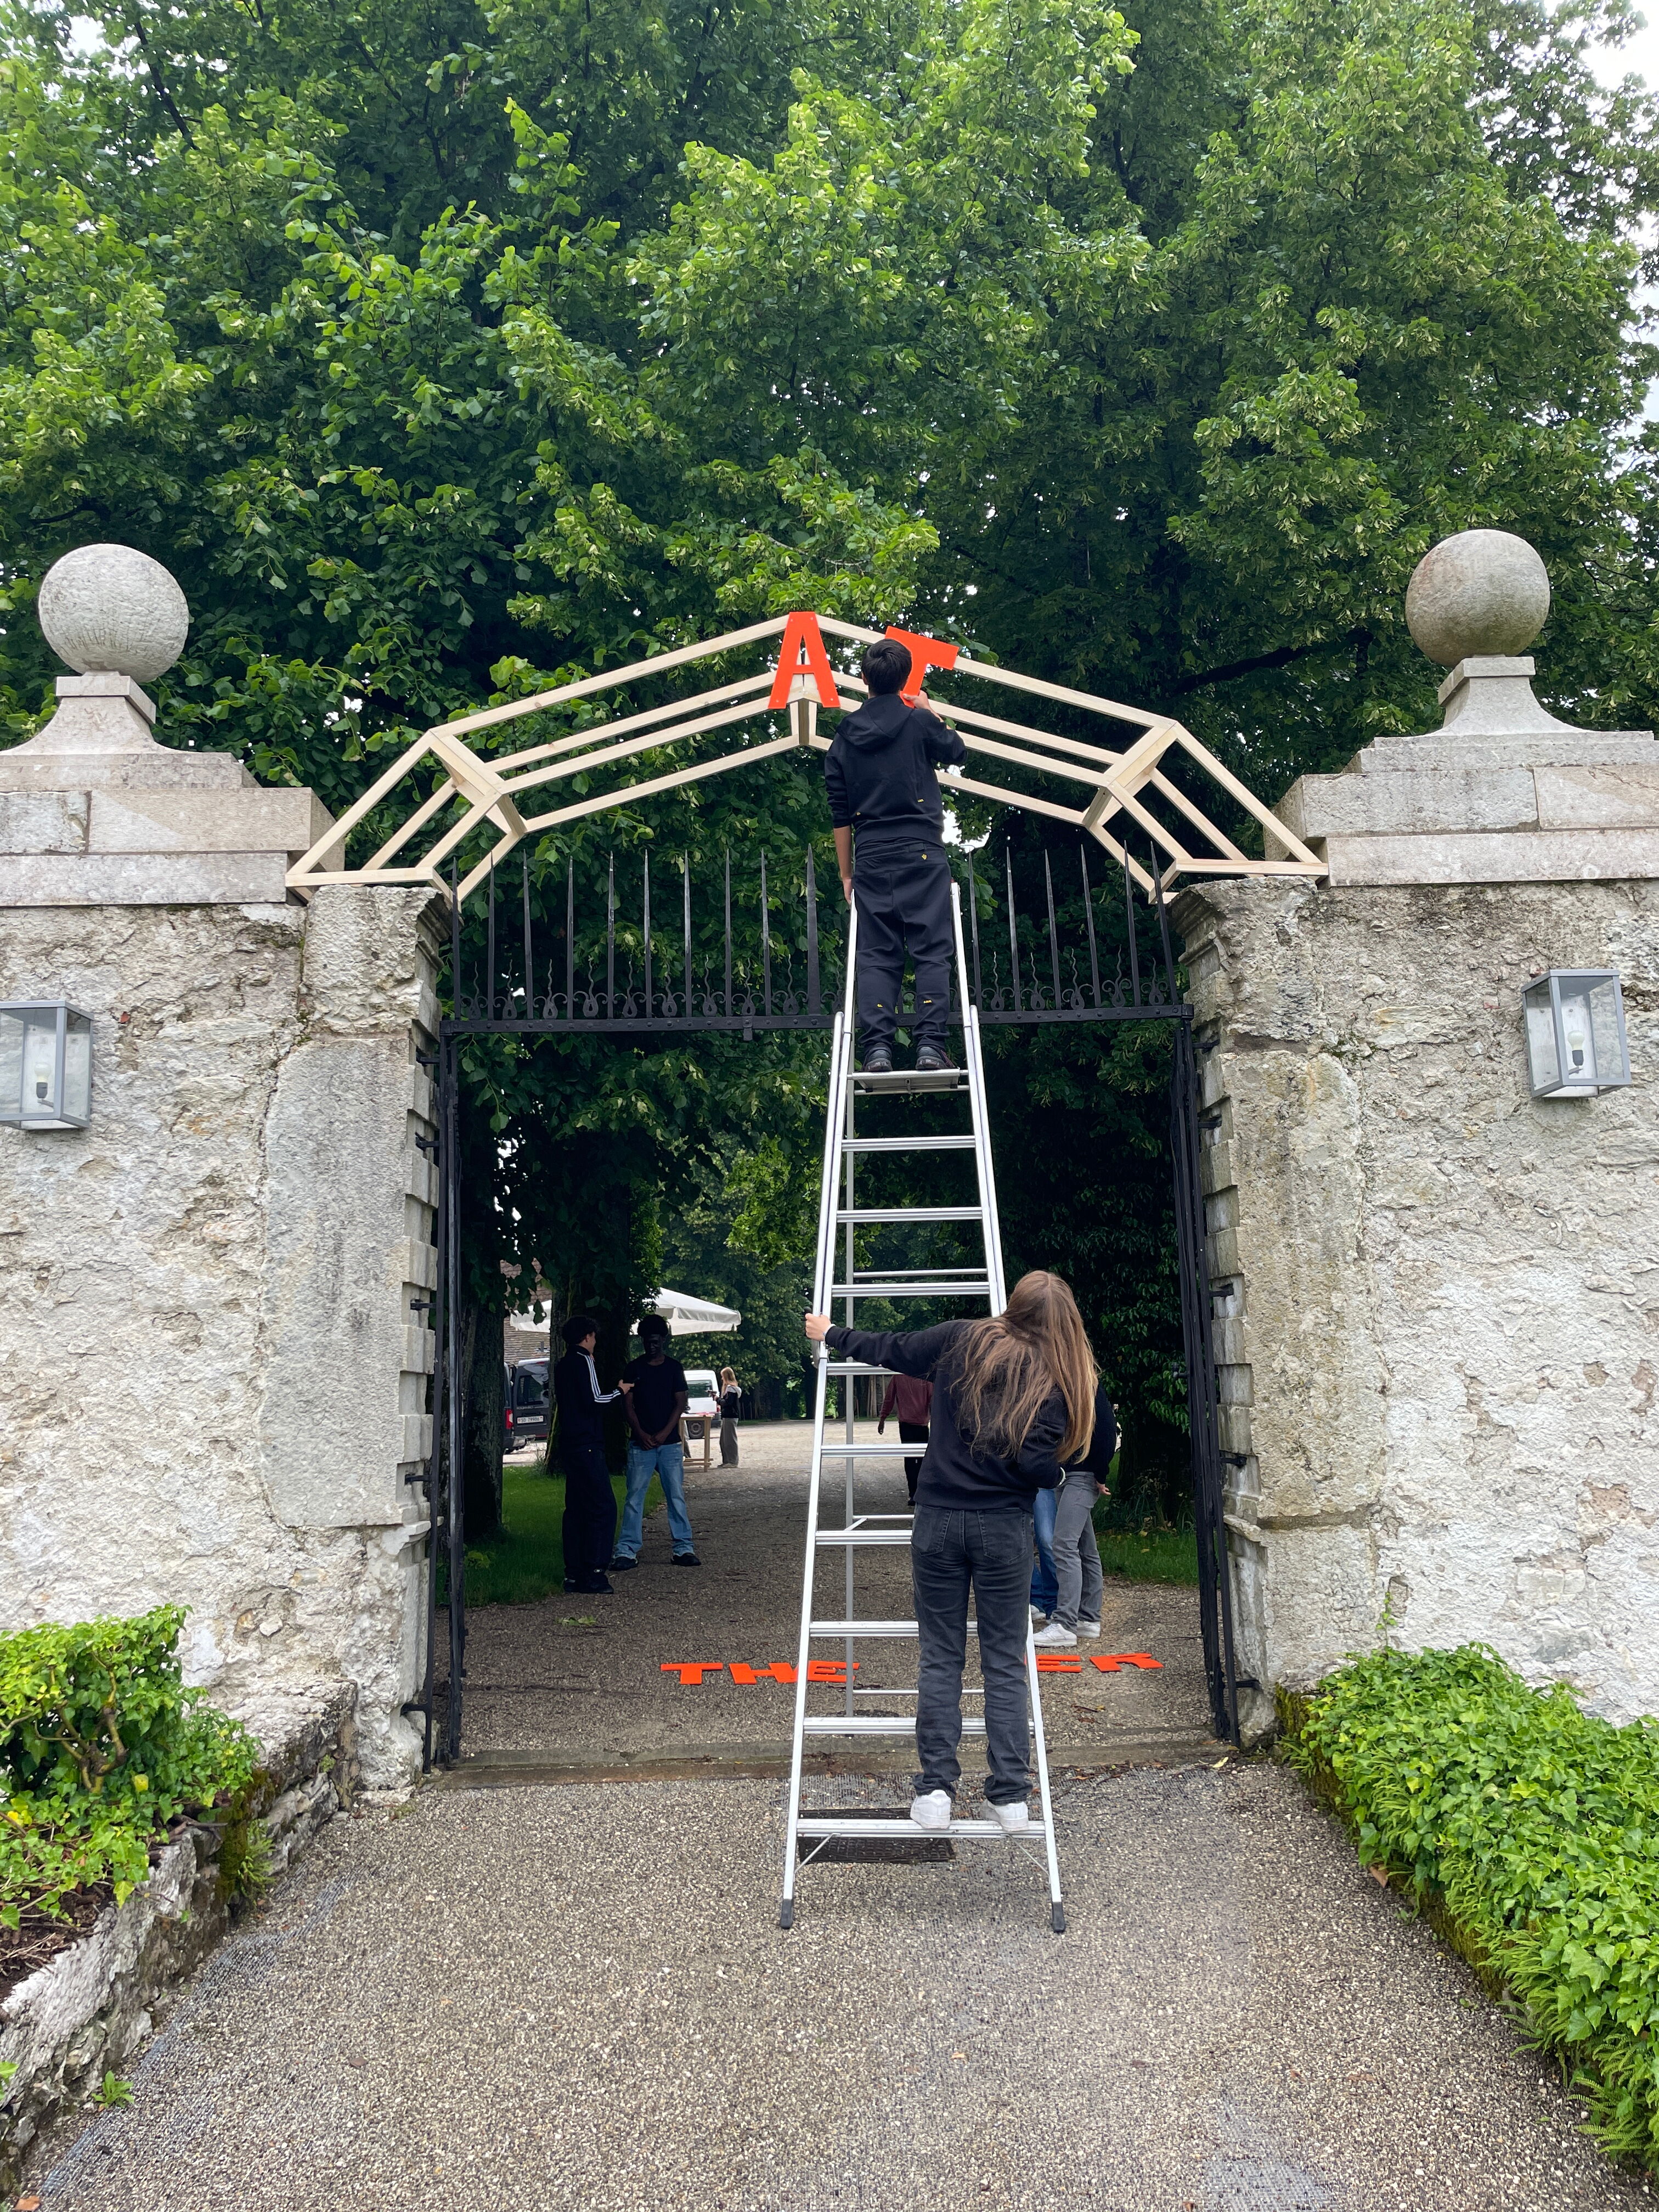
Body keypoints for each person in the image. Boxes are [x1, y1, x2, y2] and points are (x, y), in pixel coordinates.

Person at [803, 1271, 1096, 1835]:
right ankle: (1009, 1797)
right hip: (1003, 1529)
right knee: (1004, 1661)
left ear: (1015, 1304)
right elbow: (1037, 1466)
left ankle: (935, 1791)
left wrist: (833, 1333)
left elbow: (893, 1349)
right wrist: (1059, 1474)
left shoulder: (963, 1339)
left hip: (937, 1520)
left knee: (940, 1657)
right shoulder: (1055, 1378)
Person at [824, 635, 967, 1074]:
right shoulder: (918, 722)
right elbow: (957, 751)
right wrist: (929, 711)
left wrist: (847, 875)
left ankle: (877, 1051)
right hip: (921, 851)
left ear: (862, 678)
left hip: (870, 856)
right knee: (931, 951)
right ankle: (930, 1046)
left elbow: (840, 816)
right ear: (906, 679)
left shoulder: (842, 740)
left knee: (876, 956)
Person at [612, 1313, 701, 1568]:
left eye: (655, 1341)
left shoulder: (674, 1368)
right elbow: (628, 1405)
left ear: (663, 1340)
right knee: (634, 1498)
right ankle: (627, 1550)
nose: (651, 1346)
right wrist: (640, 1433)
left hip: (669, 1443)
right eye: (647, 1342)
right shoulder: (634, 1368)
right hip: (641, 1444)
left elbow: (680, 1402)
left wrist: (664, 1433)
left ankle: (683, 1548)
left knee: (676, 1496)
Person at [1033, 1383, 1118, 1646]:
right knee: (1084, 1547)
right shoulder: (1068, 1387)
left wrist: (1101, 1474)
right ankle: (1088, 1619)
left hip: (1082, 1475)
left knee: (1064, 1545)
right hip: (1068, 1473)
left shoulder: (1089, 1387)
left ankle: (1065, 1623)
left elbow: (1107, 1432)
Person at [551, 1313, 622, 1595]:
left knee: (576, 1508)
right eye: (593, 1337)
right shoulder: (584, 1360)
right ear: (587, 1337)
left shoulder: (562, 1364)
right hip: (588, 1443)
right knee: (603, 1507)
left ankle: (573, 1573)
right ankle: (595, 1572)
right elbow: (595, 1399)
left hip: (570, 1444)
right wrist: (619, 1392)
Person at [876, 1371, 932, 1505]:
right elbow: (933, 1401)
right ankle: (921, 1493)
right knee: (922, 1460)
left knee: (910, 1461)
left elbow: (889, 1399)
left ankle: (913, 1494)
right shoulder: (925, 1377)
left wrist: (883, 1418)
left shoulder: (899, 1376)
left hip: (906, 1425)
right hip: (922, 1425)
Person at [718, 1367, 742, 1467]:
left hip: (730, 1416)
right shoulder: (730, 1389)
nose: (722, 1379)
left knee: (730, 1440)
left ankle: (732, 1461)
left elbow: (727, 1403)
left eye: (723, 1376)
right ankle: (727, 1461)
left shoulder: (731, 1389)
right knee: (724, 1441)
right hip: (727, 1416)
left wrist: (718, 1400)